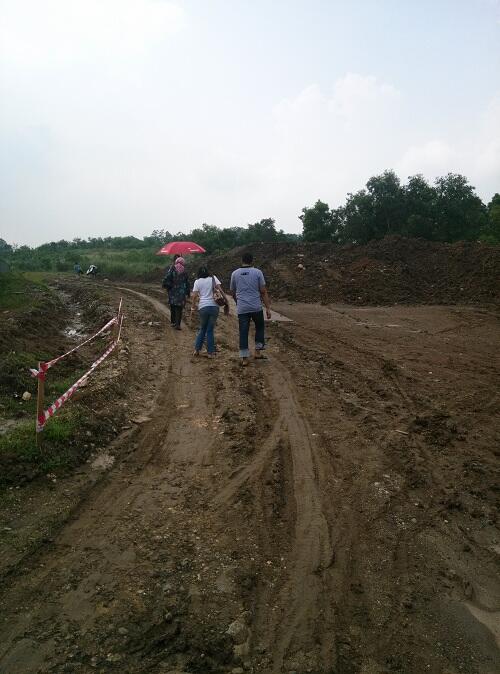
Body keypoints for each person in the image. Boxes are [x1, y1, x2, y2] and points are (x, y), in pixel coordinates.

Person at [230, 252, 272, 366]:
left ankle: (244, 358)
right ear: (252, 261)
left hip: (242, 308)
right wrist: (268, 308)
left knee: (243, 331)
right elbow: (263, 291)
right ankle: (257, 352)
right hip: (256, 306)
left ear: (241, 260)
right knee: (259, 326)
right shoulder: (258, 272)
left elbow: (232, 292)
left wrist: (237, 302)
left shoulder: (235, 274)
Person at [190, 266, 229, 358]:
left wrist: (192, 308)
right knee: (210, 330)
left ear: (199, 273)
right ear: (207, 272)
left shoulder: (197, 282)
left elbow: (194, 296)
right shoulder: (213, 278)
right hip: (214, 307)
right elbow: (221, 290)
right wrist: (226, 301)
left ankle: (196, 350)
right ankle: (210, 353)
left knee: (202, 328)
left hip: (203, 307)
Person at [163, 256, 189, 329]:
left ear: (176, 261)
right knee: (179, 308)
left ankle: (173, 322)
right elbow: (187, 282)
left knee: (173, 307)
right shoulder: (185, 271)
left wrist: (167, 286)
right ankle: (178, 324)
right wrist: (187, 292)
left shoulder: (172, 268)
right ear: (183, 262)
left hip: (173, 291)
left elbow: (167, 278)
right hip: (181, 292)